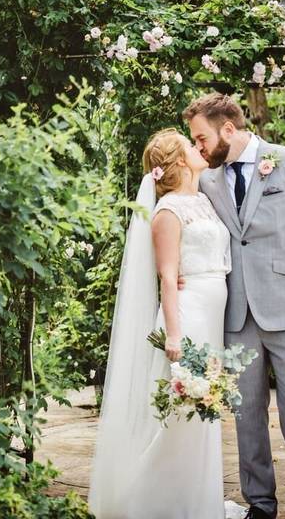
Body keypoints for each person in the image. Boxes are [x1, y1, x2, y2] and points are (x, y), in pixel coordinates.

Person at [184, 92, 285, 519]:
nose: (197, 146)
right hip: (236, 316)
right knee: (245, 416)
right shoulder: (208, 179)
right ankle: (260, 504)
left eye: (201, 137)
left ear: (228, 129)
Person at [89, 128, 245, 519]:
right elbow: (167, 277)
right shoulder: (167, 212)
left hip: (212, 315)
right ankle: (155, 502)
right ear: (179, 163)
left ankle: (199, 501)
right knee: (183, 412)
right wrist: (174, 335)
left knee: (203, 412)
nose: (199, 148)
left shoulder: (204, 201)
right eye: (191, 146)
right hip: (188, 318)